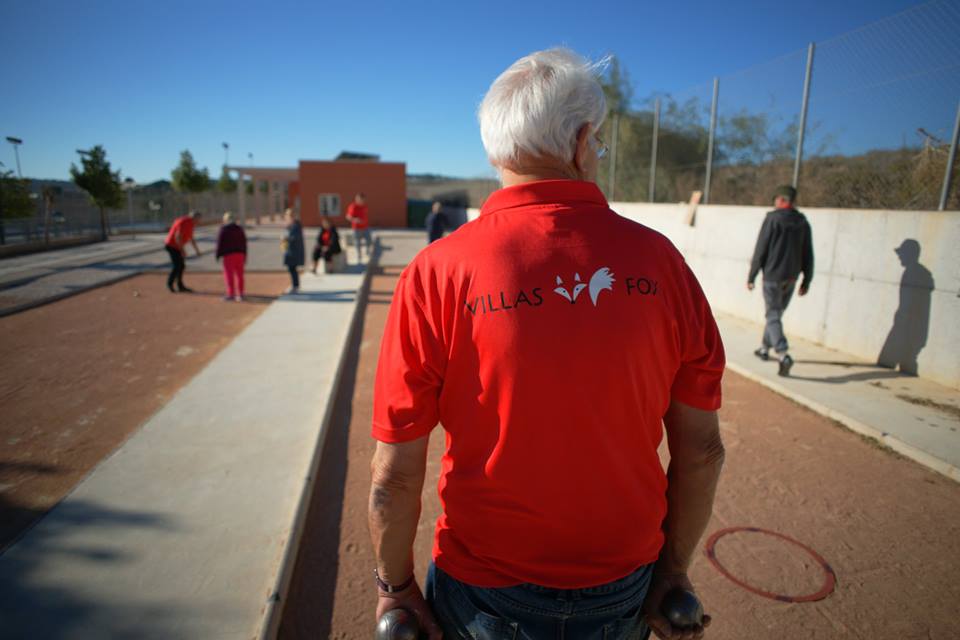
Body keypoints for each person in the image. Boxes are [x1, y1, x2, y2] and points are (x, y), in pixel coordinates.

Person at [368, 48, 725, 640]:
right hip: (624, 583)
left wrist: (396, 588)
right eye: (600, 144)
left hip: (482, 589)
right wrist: (674, 570)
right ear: (584, 141)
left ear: (495, 150)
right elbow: (702, 450)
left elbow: (395, 474)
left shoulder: (436, 272)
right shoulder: (663, 265)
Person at [747, 184, 814, 377]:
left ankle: (783, 353)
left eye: (777, 198)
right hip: (792, 277)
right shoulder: (802, 221)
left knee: (773, 315)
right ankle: (764, 349)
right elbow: (808, 253)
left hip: (772, 277)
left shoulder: (772, 219)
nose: (775, 202)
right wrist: (806, 280)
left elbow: (761, 248)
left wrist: (752, 275)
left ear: (783, 200)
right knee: (775, 315)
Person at [165, 210, 201, 293]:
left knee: (181, 266)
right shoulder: (184, 222)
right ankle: (170, 284)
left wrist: (197, 251)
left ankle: (180, 285)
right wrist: (182, 250)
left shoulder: (191, 224)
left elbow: (191, 238)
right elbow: (178, 237)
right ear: (194, 218)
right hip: (172, 246)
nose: (199, 221)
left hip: (177, 246)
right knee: (177, 266)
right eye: (198, 219)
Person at [215, 212, 247, 301]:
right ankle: (241, 294)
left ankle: (231, 294)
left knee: (229, 275)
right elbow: (244, 242)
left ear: (225, 220)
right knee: (240, 275)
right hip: (240, 254)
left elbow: (220, 243)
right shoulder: (239, 229)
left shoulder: (224, 229)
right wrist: (245, 255)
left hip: (228, 255)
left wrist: (217, 255)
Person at [282, 208, 305, 294]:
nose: (288, 217)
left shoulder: (296, 225)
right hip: (290, 250)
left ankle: (295, 286)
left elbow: (294, 238)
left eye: (290, 215)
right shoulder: (290, 225)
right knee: (291, 269)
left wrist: (286, 238)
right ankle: (295, 285)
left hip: (294, 251)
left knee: (293, 269)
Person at [346, 192, 373, 260]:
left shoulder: (364, 206)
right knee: (357, 243)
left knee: (369, 240)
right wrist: (355, 219)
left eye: (362, 199)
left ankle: (367, 252)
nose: (360, 201)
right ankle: (359, 255)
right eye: (358, 199)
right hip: (356, 228)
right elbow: (348, 216)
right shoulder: (353, 206)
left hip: (365, 227)